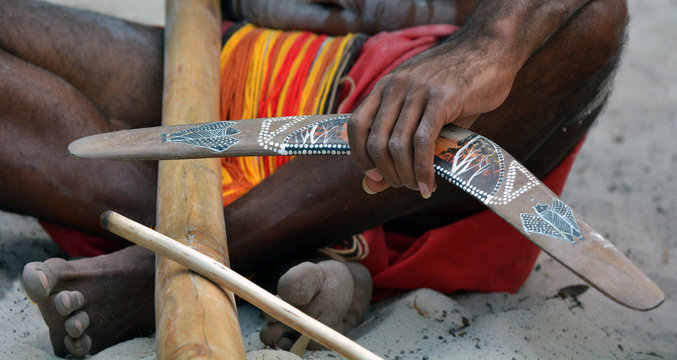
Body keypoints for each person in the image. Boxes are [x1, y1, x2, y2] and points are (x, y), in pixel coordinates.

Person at [0, 0, 628, 357]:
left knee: (596, 17)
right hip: (241, 63)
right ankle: (278, 253)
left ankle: (168, 265)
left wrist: (486, 48)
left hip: (419, 138)